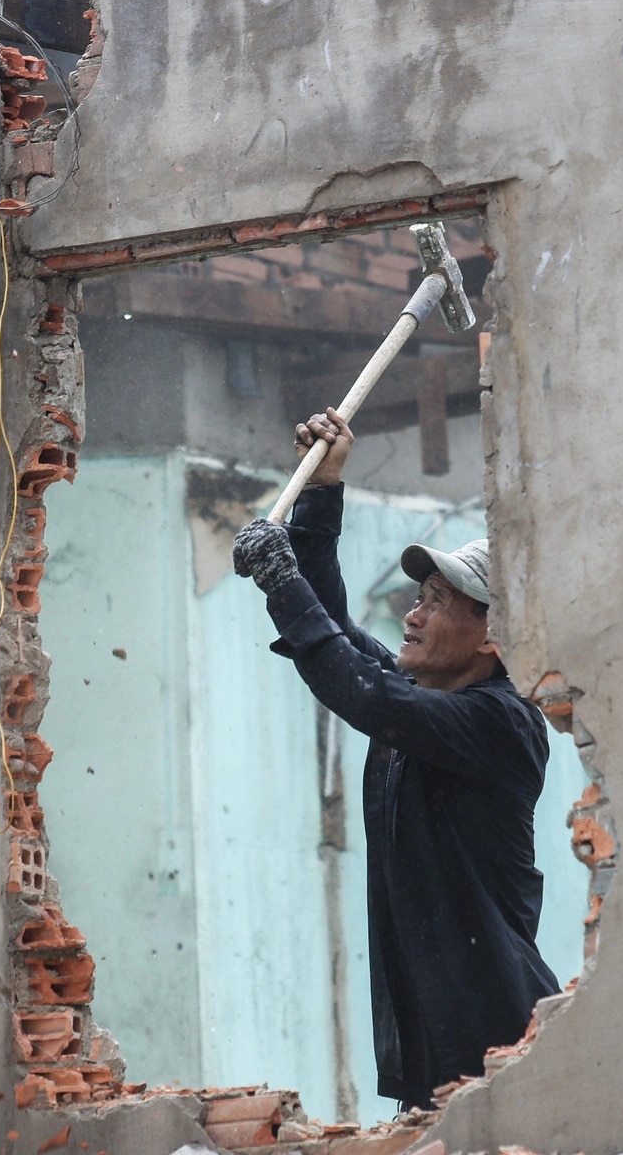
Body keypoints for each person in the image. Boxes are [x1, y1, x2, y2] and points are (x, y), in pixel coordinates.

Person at [231, 409, 560, 1112]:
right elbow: (339, 637)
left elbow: (362, 691)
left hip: (498, 1027)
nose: (413, 614)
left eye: (438, 602)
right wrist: (322, 489)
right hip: (434, 1034)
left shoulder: (502, 722)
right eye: (419, 597)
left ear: (493, 640)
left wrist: (282, 580)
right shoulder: (421, 698)